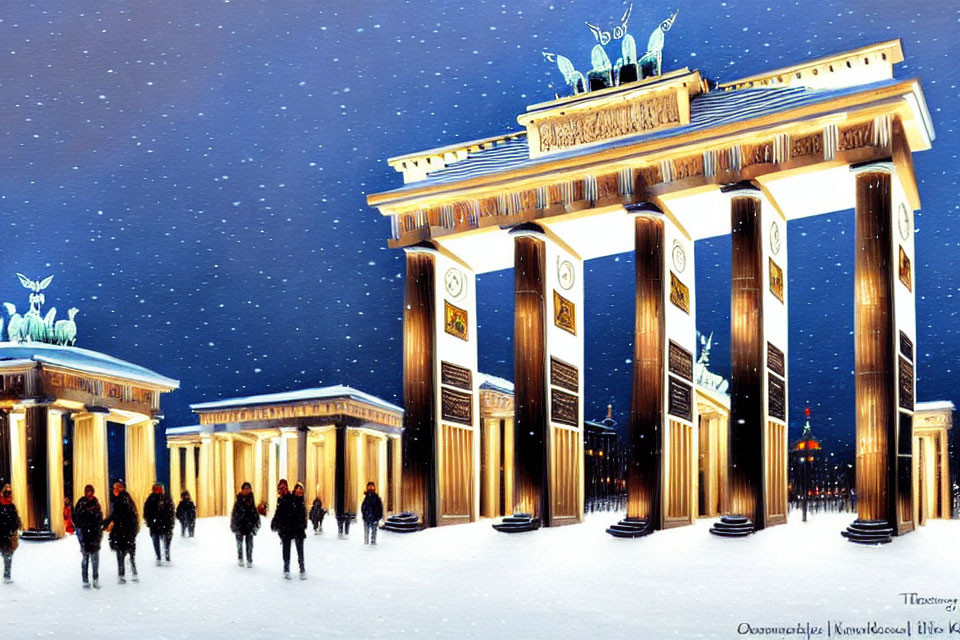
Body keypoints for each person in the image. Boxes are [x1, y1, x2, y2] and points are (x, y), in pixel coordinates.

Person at [103, 480, 139, 583]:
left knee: (121, 554)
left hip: (122, 531)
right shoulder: (126, 499)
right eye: (114, 487)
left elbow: (116, 515)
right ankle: (133, 573)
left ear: (121, 488)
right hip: (126, 531)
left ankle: (122, 575)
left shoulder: (121, 500)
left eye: (117, 487)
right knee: (129, 553)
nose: (114, 489)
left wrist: (105, 523)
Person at [270, 479, 307, 580]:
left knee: (299, 550)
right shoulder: (281, 500)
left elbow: (298, 513)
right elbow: (279, 513)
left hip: (295, 528)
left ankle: (302, 568)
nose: (283, 490)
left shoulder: (291, 498)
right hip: (286, 529)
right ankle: (286, 568)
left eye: (284, 487)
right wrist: (275, 523)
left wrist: (302, 525)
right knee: (286, 549)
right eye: (281, 488)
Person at [73, 484, 104, 589]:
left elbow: (99, 518)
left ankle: (95, 579)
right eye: (87, 491)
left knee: (94, 558)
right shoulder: (81, 503)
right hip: (85, 533)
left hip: (94, 533)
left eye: (90, 491)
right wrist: (80, 526)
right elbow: (75, 516)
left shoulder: (96, 503)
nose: (89, 493)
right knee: (86, 557)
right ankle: (85, 580)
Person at [143, 483, 176, 565]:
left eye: (158, 488)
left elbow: (171, 511)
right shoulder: (150, 499)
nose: (157, 490)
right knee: (156, 540)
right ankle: (158, 556)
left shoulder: (166, 499)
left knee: (166, 541)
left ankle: (167, 555)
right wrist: (149, 522)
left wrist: (171, 522)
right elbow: (146, 511)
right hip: (155, 525)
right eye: (155, 489)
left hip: (165, 524)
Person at [230, 482, 260, 567]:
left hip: (249, 525)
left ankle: (249, 559)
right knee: (239, 543)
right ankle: (240, 558)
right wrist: (233, 525)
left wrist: (255, 523)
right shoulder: (238, 501)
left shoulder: (251, 500)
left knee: (249, 543)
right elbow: (234, 513)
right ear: (242, 490)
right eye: (245, 489)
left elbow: (255, 513)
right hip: (240, 525)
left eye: (249, 489)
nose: (247, 490)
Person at [0, 484, 22, 584]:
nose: (8, 494)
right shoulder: (5, 506)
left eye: (10, 492)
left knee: (8, 556)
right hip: (4, 535)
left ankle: (7, 576)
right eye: (7, 492)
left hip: (7, 535)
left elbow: (15, 520)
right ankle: (7, 576)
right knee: (7, 555)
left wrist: (14, 529)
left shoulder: (11, 506)